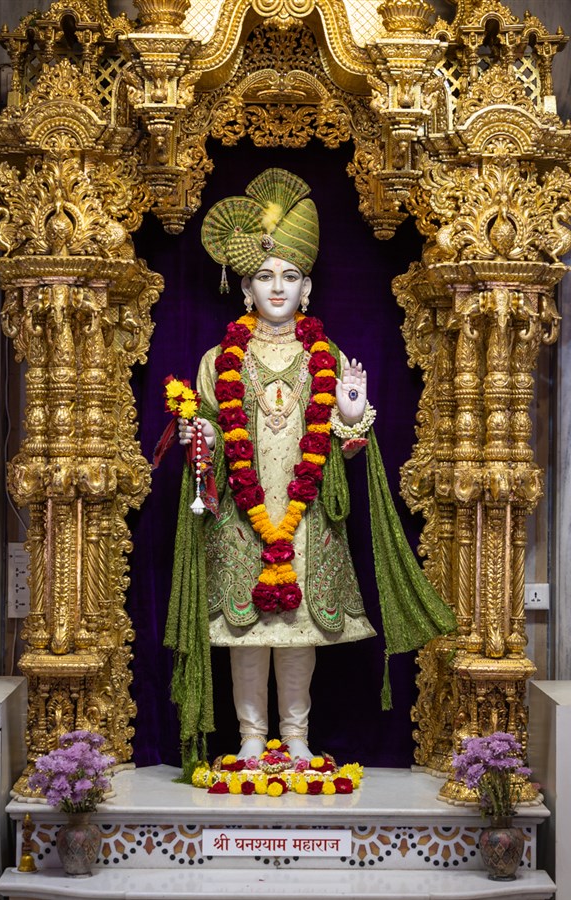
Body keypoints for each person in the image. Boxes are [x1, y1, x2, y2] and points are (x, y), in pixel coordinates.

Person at [163, 169, 456, 776]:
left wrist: (350, 415)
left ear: (308, 287)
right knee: (247, 632)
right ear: (246, 288)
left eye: (290, 276)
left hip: (308, 513)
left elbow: (343, 455)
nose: (278, 287)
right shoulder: (218, 359)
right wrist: (203, 437)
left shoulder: (325, 357)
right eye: (266, 276)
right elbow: (212, 434)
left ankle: (296, 738)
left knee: (299, 632)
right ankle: (251, 737)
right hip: (242, 516)